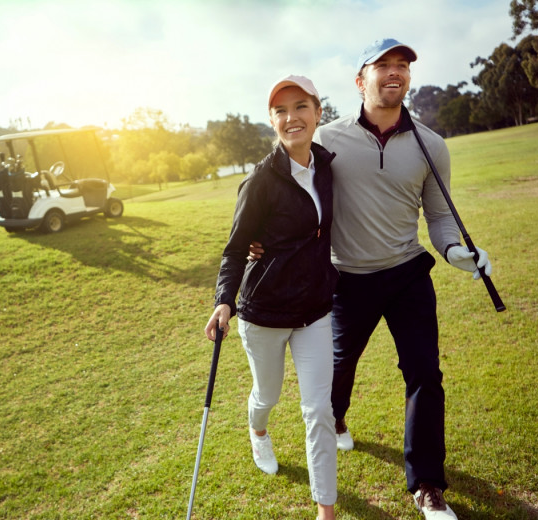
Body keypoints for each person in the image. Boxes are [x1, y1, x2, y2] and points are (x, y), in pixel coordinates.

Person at [249, 39, 494, 519]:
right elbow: (285, 186)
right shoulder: (329, 141)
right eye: (382, 65)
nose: (394, 72)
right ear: (361, 81)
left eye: (401, 65)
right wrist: (259, 238)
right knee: (339, 365)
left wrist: (456, 252)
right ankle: (336, 418)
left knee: (425, 373)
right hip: (344, 279)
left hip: (407, 273)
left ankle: (427, 485)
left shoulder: (431, 145)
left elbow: (440, 217)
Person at [204, 74, 339, 520]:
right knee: (268, 395)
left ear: (318, 112)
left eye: (300, 106)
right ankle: (257, 430)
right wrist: (225, 298)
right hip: (264, 314)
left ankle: (325, 510)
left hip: (316, 310)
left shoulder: (327, 165)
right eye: (281, 111)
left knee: (319, 409)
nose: (291, 117)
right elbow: (235, 248)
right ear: (272, 121)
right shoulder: (259, 181)